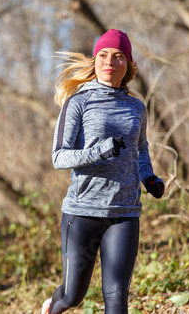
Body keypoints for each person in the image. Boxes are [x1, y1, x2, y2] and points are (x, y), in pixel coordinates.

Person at [41, 29, 165, 314]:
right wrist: (99, 151)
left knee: (117, 299)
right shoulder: (79, 102)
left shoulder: (136, 107)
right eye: (104, 55)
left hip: (125, 213)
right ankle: (51, 307)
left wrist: (149, 178)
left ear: (128, 65)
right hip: (82, 213)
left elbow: (141, 149)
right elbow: (58, 157)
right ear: (96, 61)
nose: (110, 61)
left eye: (119, 56)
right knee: (73, 296)